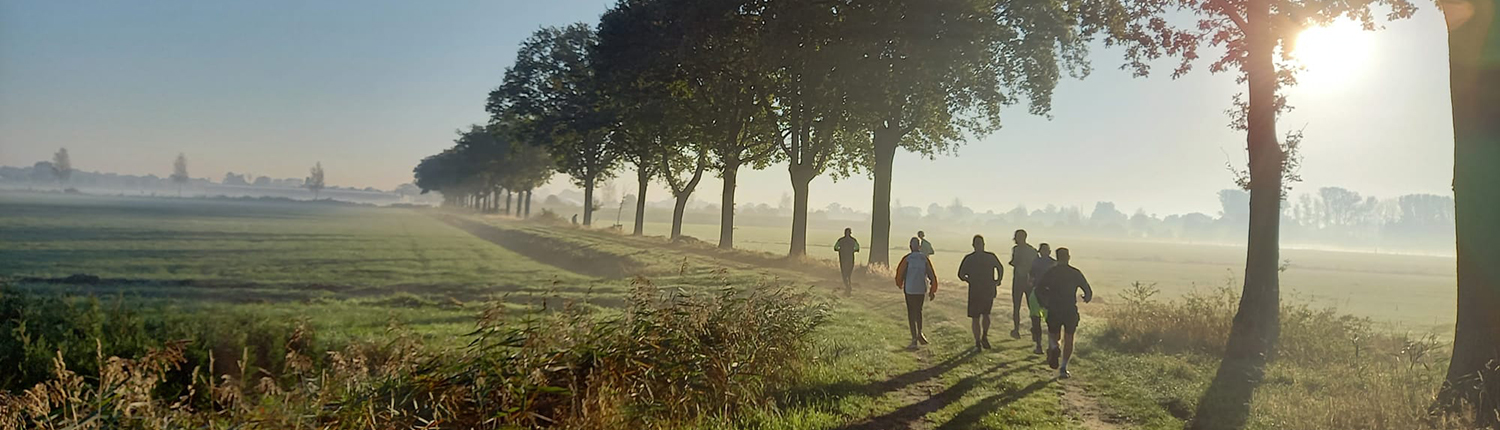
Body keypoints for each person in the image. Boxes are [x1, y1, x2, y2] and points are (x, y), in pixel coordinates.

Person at [1035, 247, 1093, 379]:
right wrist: (1086, 297)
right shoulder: (1075, 272)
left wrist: (1044, 302)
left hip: (1054, 307)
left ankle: (1054, 347)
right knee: (1069, 338)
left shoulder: (1051, 272)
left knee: (1053, 334)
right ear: (1068, 257)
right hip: (1069, 309)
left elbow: (1039, 289)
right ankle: (1063, 367)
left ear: (1057, 257)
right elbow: (1087, 290)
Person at [957, 235, 1003, 351]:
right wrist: (997, 280)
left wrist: (968, 280)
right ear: (983, 244)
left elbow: (961, 274)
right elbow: (1000, 268)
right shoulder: (990, 256)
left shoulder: (969, 258)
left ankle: (978, 341)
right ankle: (984, 337)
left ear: (973, 245)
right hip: (988, 288)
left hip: (975, 290)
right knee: (986, 314)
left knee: (976, 317)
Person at [895, 237, 938, 350]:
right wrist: (932, 290)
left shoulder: (907, 259)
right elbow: (931, 274)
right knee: (919, 311)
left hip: (909, 289)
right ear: (919, 247)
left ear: (910, 246)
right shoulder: (924, 259)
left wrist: (900, 284)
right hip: (920, 289)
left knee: (911, 312)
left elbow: (899, 273)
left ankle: (914, 338)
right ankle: (920, 333)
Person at [1007, 230, 1038, 340]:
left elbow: (1015, 262)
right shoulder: (1033, 250)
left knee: (1016, 306)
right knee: (1032, 307)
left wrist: (1012, 263)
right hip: (1030, 280)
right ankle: (1035, 330)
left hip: (1019, 280)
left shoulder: (1016, 249)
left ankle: (1016, 330)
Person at [1028, 243, 1057, 354]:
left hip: (1037, 294)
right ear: (1049, 251)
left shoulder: (1036, 262)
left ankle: (1039, 345)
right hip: (1050, 295)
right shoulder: (1054, 263)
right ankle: (1051, 346)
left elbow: (1030, 279)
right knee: (1051, 322)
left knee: (1036, 320)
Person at [834, 228, 861, 294]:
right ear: (850, 233)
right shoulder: (853, 240)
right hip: (850, 258)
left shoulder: (840, 240)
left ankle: (847, 285)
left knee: (844, 273)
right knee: (848, 272)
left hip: (843, 258)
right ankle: (848, 285)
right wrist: (853, 250)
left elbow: (835, 248)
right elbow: (857, 248)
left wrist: (839, 250)